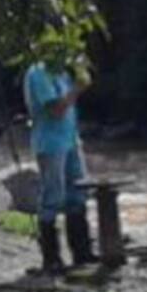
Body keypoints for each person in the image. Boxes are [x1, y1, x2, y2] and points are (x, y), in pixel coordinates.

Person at [23, 58, 96, 274]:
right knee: (52, 197)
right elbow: (56, 110)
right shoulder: (38, 72)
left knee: (79, 194)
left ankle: (82, 251)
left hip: (70, 140)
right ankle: (51, 257)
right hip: (50, 143)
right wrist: (78, 89)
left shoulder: (61, 71)